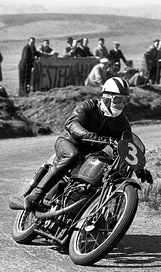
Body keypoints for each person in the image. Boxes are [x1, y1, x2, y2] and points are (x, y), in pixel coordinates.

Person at [20, 76, 150, 212]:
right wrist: (88, 135)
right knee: (72, 155)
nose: (121, 104)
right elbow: (71, 123)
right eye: (118, 100)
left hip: (91, 154)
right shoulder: (89, 106)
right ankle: (36, 195)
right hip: (69, 143)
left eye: (125, 101)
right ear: (106, 97)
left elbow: (127, 145)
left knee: (107, 172)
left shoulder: (122, 121)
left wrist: (138, 167)